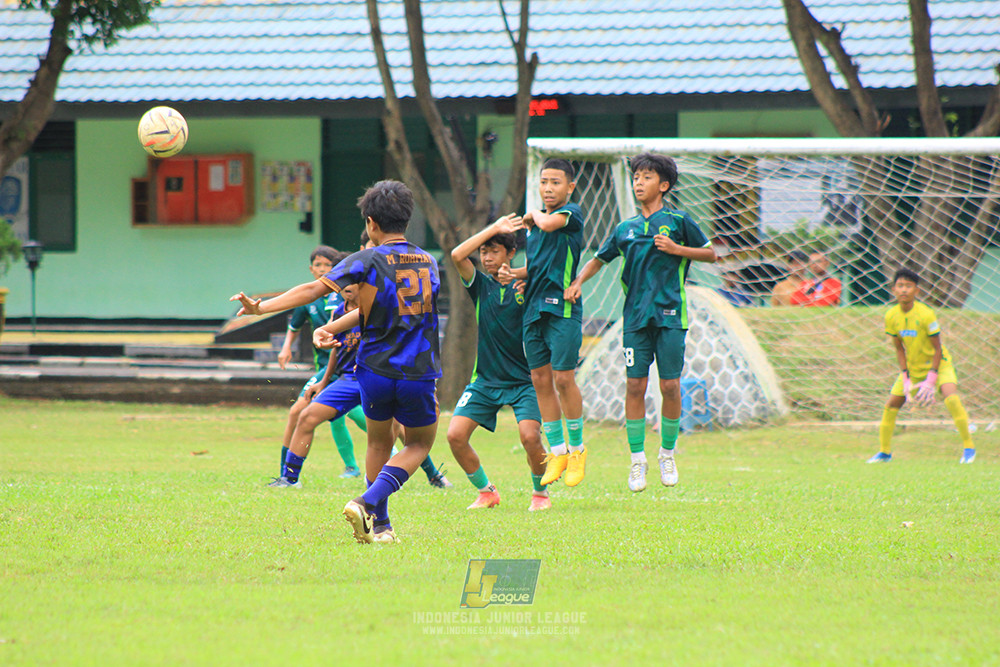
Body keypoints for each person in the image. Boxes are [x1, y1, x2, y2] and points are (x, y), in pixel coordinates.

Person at [231, 179, 442, 544]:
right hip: (416, 371)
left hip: (373, 370)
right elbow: (392, 308)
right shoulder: (428, 263)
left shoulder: (363, 259)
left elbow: (315, 290)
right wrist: (334, 326)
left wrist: (260, 308)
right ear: (406, 219)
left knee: (377, 443)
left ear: (371, 223)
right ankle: (368, 503)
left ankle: (380, 525)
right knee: (418, 445)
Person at [565, 152, 716, 492]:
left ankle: (667, 453)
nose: (638, 182)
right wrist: (576, 283)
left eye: (646, 177)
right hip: (634, 319)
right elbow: (598, 260)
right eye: (635, 177)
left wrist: (678, 249)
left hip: (671, 316)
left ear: (663, 185)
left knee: (670, 387)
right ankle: (637, 461)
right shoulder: (625, 228)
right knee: (635, 386)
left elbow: (710, 253)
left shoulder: (679, 221)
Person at [447, 214, 551, 512]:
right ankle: (487, 491)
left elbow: (546, 271)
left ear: (510, 254)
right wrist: (493, 229)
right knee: (455, 436)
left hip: (523, 383)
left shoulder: (526, 287)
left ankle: (540, 494)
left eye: (494, 251)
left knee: (530, 437)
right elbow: (456, 254)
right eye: (484, 251)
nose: (487, 257)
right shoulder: (480, 286)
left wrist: (523, 279)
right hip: (485, 382)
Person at [500, 158, 588, 488]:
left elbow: (549, 224)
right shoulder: (536, 230)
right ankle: (559, 452)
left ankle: (578, 452)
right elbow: (538, 268)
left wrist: (531, 217)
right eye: (543, 182)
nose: (548, 188)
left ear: (569, 187)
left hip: (563, 309)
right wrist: (515, 274)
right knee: (540, 379)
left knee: (564, 379)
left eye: (555, 182)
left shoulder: (571, 214)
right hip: (533, 310)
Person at [275, 246, 366, 481]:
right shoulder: (333, 308)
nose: (324, 270)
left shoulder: (376, 308)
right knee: (304, 414)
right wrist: (323, 381)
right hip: (339, 375)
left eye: (329, 266)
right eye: (319, 265)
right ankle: (288, 478)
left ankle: (429, 471)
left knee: (391, 430)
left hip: (374, 377)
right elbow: (330, 343)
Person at [868, 268, 975, 464]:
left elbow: (938, 348)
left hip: (939, 364)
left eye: (908, 286)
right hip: (913, 368)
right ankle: (884, 452)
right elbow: (899, 349)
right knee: (891, 404)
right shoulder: (891, 315)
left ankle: (968, 448)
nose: (904, 290)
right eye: (900, 286)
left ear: (916, 290)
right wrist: (906, 377)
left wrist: (931, 379)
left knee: (951, 397)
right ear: (893, 289)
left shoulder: (926, 314)